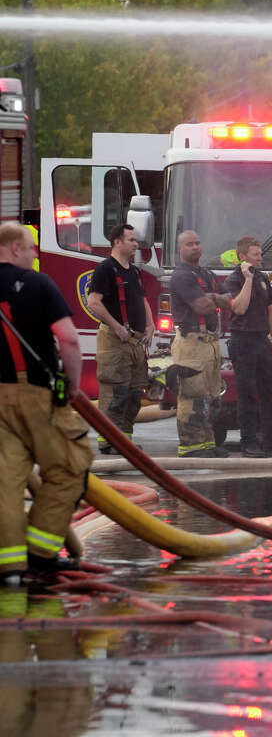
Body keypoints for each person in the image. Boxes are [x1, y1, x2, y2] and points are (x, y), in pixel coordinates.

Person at [0, 223, 92, 584]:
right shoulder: (38, 284)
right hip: (38, 395)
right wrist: (70, 386)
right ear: (13, 248)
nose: (36, 254)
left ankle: (9, 568)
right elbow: (68, 340)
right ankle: (40, 553)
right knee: (70, 469)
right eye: (31, 248)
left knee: (5, 483)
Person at [223, 236, 272, 458]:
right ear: (242, 257)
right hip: (242, 341)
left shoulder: (263, 278)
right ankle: (248, 443)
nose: (260, 259)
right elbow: (238, 308)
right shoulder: (233, 280)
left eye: (260, 254)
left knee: (270, 392)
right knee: (246, 394)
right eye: (256, 255)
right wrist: (247, 279)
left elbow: (271, 311)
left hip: (261, 341)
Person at [85, 223, 154, 454]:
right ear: (117, 242)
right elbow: (93, 302)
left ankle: (124, 442)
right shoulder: (105, 269)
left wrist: (151, 325)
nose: (136, 244)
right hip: (115, 341)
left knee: (134, 395)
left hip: (134, 342)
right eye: (132, 240)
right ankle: (109, 442)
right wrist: (116, 326)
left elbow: (142, 299)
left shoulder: (133, 271)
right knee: (116, 394)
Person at [169, 230, 232, 458]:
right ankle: (191, 445)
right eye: (189, 244)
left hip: (210, 343)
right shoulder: (181, 276)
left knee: (211, 395)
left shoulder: (207, 274)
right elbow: (203, 307)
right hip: (191, 342)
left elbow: (230, 301)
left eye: (197, 243)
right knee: (192, 395)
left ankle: (207, 443)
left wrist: (213, 297)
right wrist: (215, 298)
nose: (195, 247)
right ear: (181, 249)